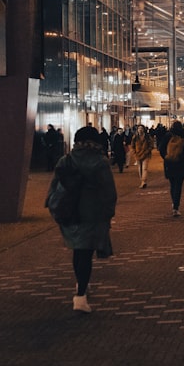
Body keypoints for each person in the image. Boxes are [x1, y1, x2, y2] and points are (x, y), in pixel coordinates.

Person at [51, 126, 117, 313]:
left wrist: (56, 209)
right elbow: (109, 192)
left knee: (77, 251)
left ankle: (81, 284)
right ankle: (80, 296)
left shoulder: (66, 160)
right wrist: (108, 213)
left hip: (69, 212)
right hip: (92, 214)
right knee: (85, 253)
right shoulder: (100, 162)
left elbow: (54, 188)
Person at [159, 120, 184, 217]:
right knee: (178, 186)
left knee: (172, 184)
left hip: (169, 163)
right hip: (181, 163)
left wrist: (166, 157)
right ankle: (176, 206)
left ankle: (174, 203)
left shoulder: (167, 136)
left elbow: (161, 148)